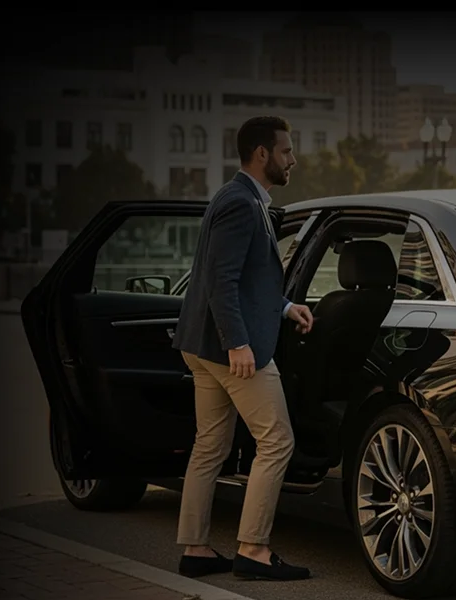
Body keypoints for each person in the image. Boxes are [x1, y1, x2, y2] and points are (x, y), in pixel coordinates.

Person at [170, 115, 315, 581]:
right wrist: (238, 343)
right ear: (262, 153)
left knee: (209, 446)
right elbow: (222, 280)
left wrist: (285, 306)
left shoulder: (238, 198)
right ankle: (253, 549)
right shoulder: (240, 203)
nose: (293, 160)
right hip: (230, 350)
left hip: (203, 347)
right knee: (277, 440)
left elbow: (248, 277)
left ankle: (195, 549)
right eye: (286, 151)